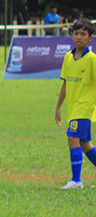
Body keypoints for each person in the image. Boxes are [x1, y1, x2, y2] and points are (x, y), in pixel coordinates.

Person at [54, 18, 96, 190]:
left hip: (85, 107)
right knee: (85, 144)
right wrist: (58, 107)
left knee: (72, 137)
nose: (79, 37)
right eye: (76, 33)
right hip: (73, 107)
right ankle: (76, 180)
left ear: (90, 37)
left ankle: (76, 181)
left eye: (83, 34)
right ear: (71, 35)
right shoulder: (68, 58)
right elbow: (65, 84)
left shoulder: (92, 59)